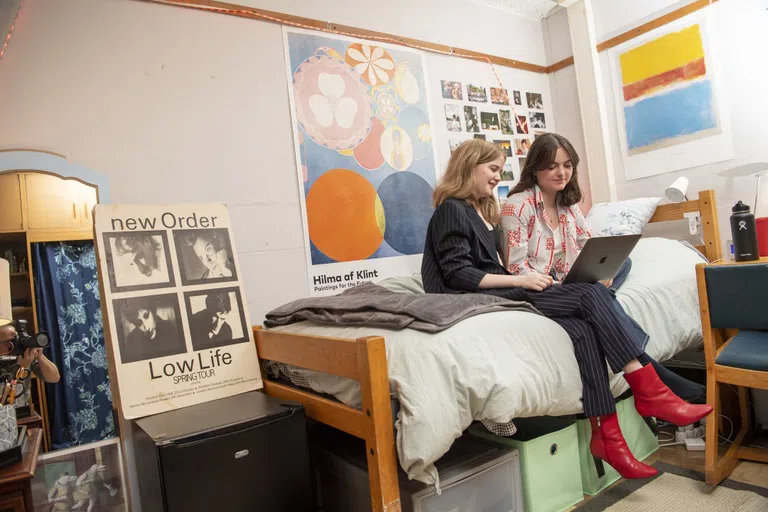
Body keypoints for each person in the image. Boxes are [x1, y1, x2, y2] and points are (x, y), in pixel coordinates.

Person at [420, 138, 713, 480]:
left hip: (503, 293)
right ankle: (646, 387)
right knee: (590, 297)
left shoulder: (477, 210)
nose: (497, 178)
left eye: (500, 170)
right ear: (468, 166)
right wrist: (524, 281)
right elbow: (458, 273)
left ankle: (608, 436)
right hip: (486, 298)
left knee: (586, 327)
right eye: (493, 169)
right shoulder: (453, 208)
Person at [500, 132, 706, 402]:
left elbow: (590, 244)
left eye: (567, 165)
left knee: (623, 262)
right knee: (599, 296)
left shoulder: (568, 204)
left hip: (570, 280)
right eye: (552, 166)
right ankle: (656, 376)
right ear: (535, 168)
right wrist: (582, 286)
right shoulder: (517, 205)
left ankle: (598, 298)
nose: (561, 172)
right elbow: (516, 268)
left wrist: (603, 271)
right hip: (539, 287)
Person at [0, 322, 60, 408]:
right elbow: (6, 395)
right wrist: (22, 367)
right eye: (10, 341)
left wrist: (40, 356)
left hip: (23, 410)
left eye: (17, 338)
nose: (17, 343)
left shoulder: (26, 357)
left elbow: (54, 378)